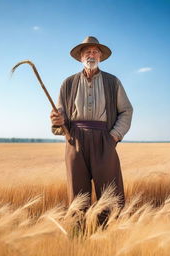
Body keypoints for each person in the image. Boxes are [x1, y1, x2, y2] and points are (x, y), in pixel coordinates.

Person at [50, 36, 133, 225]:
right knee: (78, 195)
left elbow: (126, 111)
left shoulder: (113, 82)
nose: (91, 55)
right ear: (80, 57)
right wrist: (57, 120)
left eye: (95, 51)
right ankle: (79, 237)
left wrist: (114, 136)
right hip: (75, 140)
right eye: (87, 52)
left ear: (101, 57)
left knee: (110, 192)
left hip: (105, 139)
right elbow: (59, 114)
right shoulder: (68, 83)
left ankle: (110, 234)